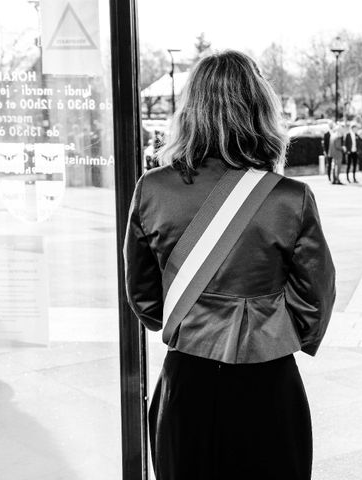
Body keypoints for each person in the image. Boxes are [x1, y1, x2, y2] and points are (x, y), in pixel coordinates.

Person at [124, 50, 336, 480]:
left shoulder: (153, 189)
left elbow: (144, 299)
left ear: (189, 111)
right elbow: (315, 300)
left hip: (188, 380)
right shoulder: (289, 197)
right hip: (268, 381)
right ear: (261, 110)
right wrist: (266, 325)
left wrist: (196, 318)